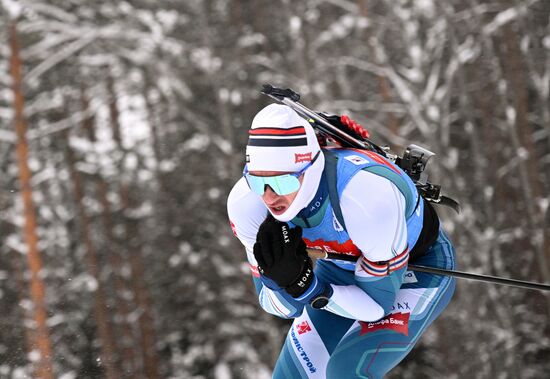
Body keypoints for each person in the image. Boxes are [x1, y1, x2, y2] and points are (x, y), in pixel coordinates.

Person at [227, 104, 456, 378]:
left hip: (416, 271)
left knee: (345, 372)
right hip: (340, 272)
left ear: (310, 170)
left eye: (282, 183)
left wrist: (308, 289)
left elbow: (375, 307)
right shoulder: (247, 205)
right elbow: (278, 306)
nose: (268, 196)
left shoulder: (364, 198)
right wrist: (281, 283)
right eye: (257, 182)